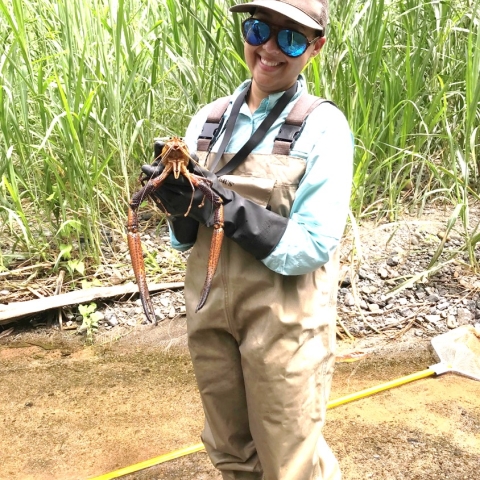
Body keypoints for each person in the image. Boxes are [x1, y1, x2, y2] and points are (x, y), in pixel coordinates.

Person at [143, 1, 353, 478]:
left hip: (284, 322)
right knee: (230, 449)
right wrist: (177, 206)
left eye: (291, 38)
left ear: (315, 48)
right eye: (259, 29)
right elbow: (184, 242)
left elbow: (314, 244)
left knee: (289, 457)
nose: (269, 48)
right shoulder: (208, 121)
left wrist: (227, 208)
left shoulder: (323, 128)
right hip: (210, 311)